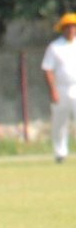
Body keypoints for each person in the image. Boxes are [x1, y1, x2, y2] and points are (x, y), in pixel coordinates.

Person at [42, 12, 76, 162]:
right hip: (61, 88)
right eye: (68, 26)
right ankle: (60, 152)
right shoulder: (55, 47)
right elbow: (47, 69)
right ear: (62, 28)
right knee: (60, 122)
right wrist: (53, 90)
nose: (71, 29)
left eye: (73, 26)